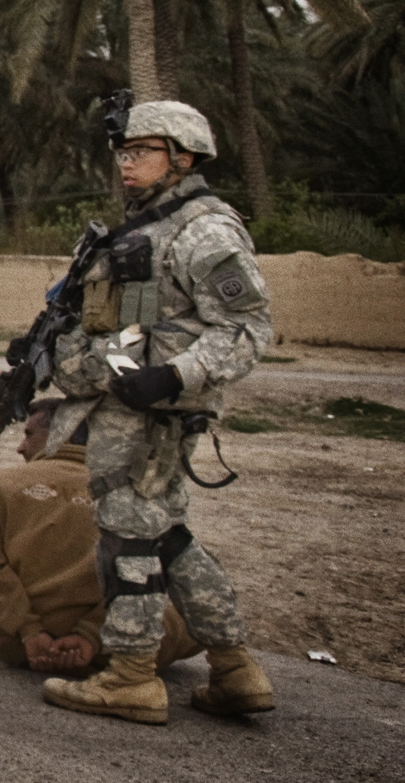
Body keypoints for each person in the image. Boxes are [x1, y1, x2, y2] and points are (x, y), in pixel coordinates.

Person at [37, 100, 277, 725]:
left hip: (153, 410)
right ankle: (234, 667)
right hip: (124, 398)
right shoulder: (145, 226)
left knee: (126, 534)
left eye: (142, 152)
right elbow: (128, 323)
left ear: (184, 158)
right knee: (165, 536)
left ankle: (131, 675)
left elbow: (248, 329)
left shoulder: (207, 230)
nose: (127, 163)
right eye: (124, 152)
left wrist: (174, 376)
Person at [0, 399, 197, 673]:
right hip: (109, 647)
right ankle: (232, 668)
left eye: (29, 434)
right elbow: (145, 574)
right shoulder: (132, 491)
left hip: (17, 643)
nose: (21, 447)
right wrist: (90, 635)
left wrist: (30, 631)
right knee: (195, 603)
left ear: (62, 433)